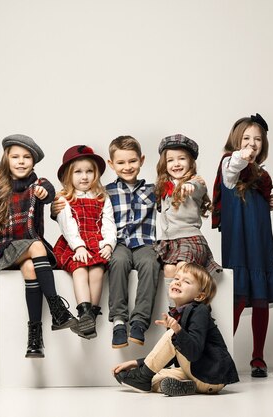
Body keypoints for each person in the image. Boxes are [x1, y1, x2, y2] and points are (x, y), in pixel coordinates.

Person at [0, 134, 77, 359]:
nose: (21, 161)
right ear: (6, 160)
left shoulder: (38, 184)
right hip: (4, 250)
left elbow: (48, 192)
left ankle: (34, 339)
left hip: (28, 253)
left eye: (26, 157)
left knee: (31, 269)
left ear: (33, 162)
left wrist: (45, 194)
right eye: (15, 157)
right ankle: (58, 310)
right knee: (35, 246)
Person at [211, 113, 273, 377]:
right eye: (246, 139)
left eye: (258, 140)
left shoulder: (262, 175)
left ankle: (258, 358)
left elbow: (258, 200)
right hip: (239, 242)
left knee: (261, 297)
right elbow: (234, 169)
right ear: (236, 141)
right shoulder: (230, 163)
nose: (253, 144)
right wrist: (245, 153)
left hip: (260, 240)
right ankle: (221, 355)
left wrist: (269, 202)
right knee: (238, 296)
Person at [112, 263, 239, 396]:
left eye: (186, 281)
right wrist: (136, 363)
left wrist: (177, 330)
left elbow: (194, 353)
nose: (178, 283)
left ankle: (142, 377)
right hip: (197, 375)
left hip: (211, 374)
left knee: (172, 335)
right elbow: (169, 355)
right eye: (176, 279)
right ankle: (186, 386)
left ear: (200, 296)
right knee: (155, 377)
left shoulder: (200, 311)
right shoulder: (176, 314)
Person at [53, 145, 117, 339]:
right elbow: (68, 225)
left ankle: (90, 319)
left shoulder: (102, 196)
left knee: (97, 270)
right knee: (80, 270)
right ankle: (83, 312)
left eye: (89, 171)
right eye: (78, 172)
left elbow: (109, 223)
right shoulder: (64, 197)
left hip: (96, 241)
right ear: (68, 176)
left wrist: (108, 244)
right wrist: (79, 246)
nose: (84, 176)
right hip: (74, 243)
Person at [104, 136, 160, 348]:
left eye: (132, 161)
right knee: (117, 262)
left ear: (142, 160)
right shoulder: (105, 191)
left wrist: (195, 183)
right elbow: (81, 199)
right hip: (118, 243)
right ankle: (119, 321)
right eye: (121, 162)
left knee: (151, 263)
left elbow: (177, 192)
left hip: (144, 243)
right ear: (111, 164)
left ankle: (139, 321)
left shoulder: (155, 190)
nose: (127, 167)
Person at [154, 134, 222, 305]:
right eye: (170, 160)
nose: (176, 164)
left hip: (189, 239)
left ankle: (187, 312)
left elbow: (198, 188)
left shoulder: (195, 182)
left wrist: (190, 186)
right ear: (164, 163)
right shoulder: (163, 186)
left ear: (191, 162)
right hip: (169, 241)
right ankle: (174, 309)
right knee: (169, 269)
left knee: (182, 269)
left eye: (182, 159)